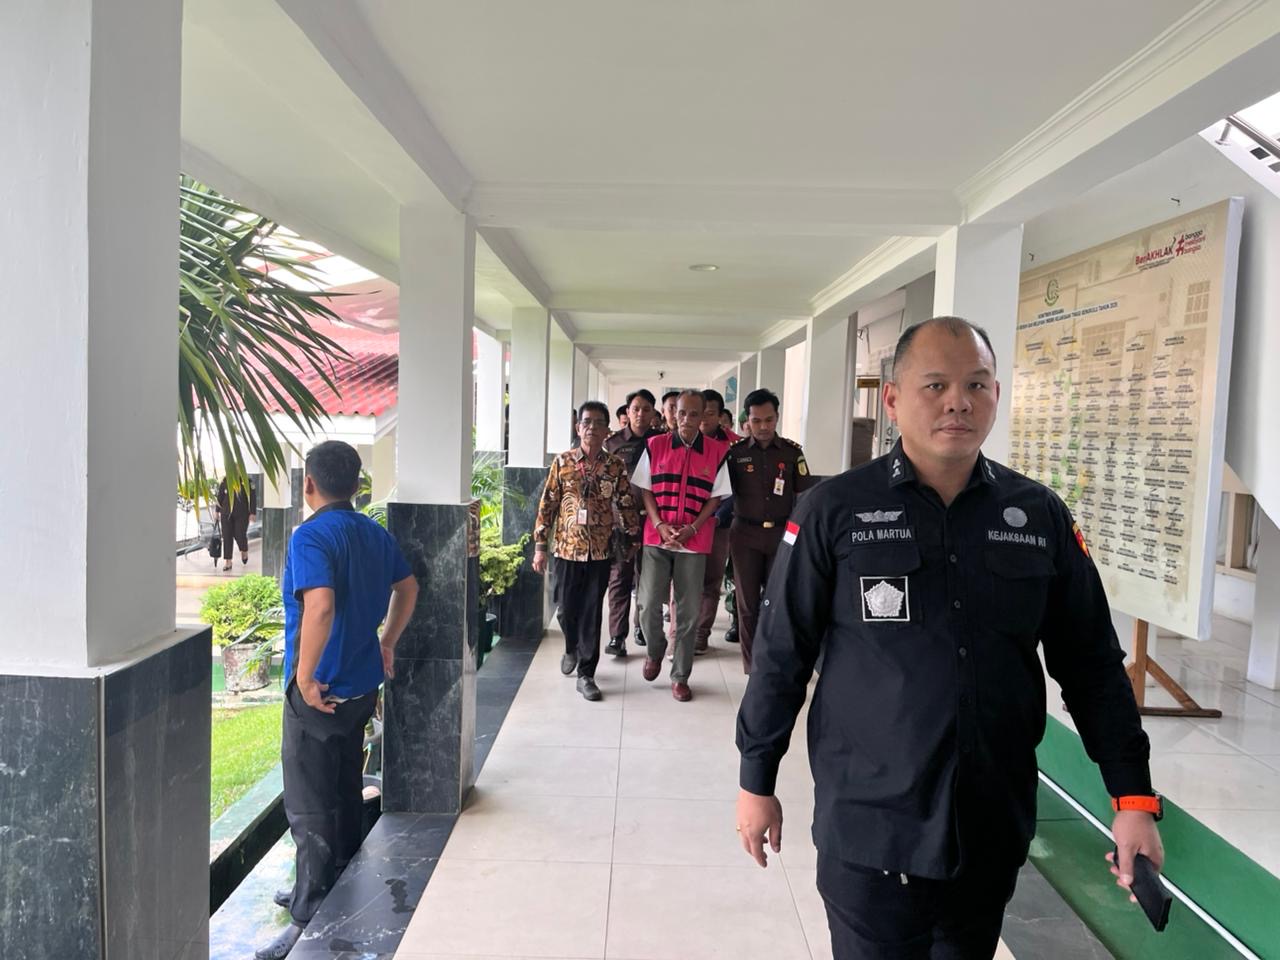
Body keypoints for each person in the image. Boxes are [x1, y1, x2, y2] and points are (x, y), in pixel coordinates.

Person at [734, 317, 1162, 959]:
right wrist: (756, 778)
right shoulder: (834, 509)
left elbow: (1091, 663)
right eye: (935, 385)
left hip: (987, 826)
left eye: (976, 385)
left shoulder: (1037, 515)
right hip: (871, 828)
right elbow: (781, 652)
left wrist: (1132, 796)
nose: (957, 402)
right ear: (892, 399)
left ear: (996, 395)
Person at [257, 441, 418, 960]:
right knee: (345, 787)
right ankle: (337, 879)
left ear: (308, 483)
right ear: (355, 485)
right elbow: (408, 587)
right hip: (362, 685)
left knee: (309, 805)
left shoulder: (310, 536)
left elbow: (320, 607)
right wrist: (386, 642)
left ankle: (306, 915)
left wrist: (305, 678)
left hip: (321, 692)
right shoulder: (374, 533)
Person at [532, 401, 642, 701]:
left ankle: (586, 673)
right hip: (567, 549)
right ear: (578, 427)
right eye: (586, 422)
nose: (592, 427)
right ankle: (571, 647)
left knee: (592, 612)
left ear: (608, 430)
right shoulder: (563, 462)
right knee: (566, 609)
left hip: (600, 551)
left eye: (599, 423)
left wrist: (633, 537)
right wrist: (540, 546)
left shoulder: (615, 466)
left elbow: (625, 502)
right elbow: (547, 505)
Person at [631, 389, 731, 701]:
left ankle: (680, 676)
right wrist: (659, 524)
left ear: (703, 416)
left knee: (688, 611)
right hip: (657, 537)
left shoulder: (717, 451)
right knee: (648, 603)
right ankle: (655, 650)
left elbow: (716, 497)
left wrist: (693, 528)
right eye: (681, 412)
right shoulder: (655, 445)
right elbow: (646, 489)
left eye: (693, 414)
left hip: (694, 540)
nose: (686, 419)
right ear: (673, 414)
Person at [726, 388, 815, 674]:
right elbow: (722, 495)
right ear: (747, 421)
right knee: (747, 604)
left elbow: (804, 497)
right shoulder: (735, 454)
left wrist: (799, 535)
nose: (763, 426)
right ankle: (753, 667)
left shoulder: (792, 453)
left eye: (769, 420)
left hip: (781, 535)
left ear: (777, 418)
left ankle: (777, 659)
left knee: (779, 600)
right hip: (745, 535)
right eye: (756, 420)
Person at [676, 388, 740, 655]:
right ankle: (679, 635)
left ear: (719, 416)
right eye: (698, 413)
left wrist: (717, 515)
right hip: (686, 523)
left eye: (709, 413)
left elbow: (736, 487)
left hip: (718, 523)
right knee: (682, 581)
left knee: (711, 581)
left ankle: (701, 634)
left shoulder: (734, 446)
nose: (703, 419)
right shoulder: (683, 441)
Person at [604, 389, 663, 656]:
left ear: (653, 413)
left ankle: (642, 627)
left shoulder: (661, 442)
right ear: (627, 412)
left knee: (648, 580)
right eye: (636, 409)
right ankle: (617, 636)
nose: (640, 414)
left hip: (653, 522)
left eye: (646, 409)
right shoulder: (613, 444)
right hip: (622, 524)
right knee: (619, 578)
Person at [215, 475, 257, 572]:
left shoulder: (247, 481)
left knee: (240, 534)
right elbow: (220, 496)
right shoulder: (225, 480)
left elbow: (253, 497)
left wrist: (253, 513)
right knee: (227, 537)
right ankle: (228, 561)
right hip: (226, 513)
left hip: (242, 513)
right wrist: (217, 511)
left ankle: (244, 549)